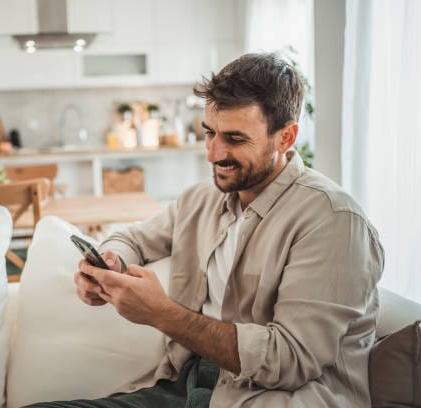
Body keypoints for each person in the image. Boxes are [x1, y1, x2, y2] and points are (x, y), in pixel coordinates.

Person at [28, 53, 384, 407]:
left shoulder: (333, 221)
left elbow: (288, 361)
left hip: (270, 398)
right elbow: (134, 238)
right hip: (185, 386)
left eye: (234, 138)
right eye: (209, 133)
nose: (213, 153)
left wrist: (161, 314)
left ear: (285, 138)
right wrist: (111, 263)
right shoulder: (202, 198)